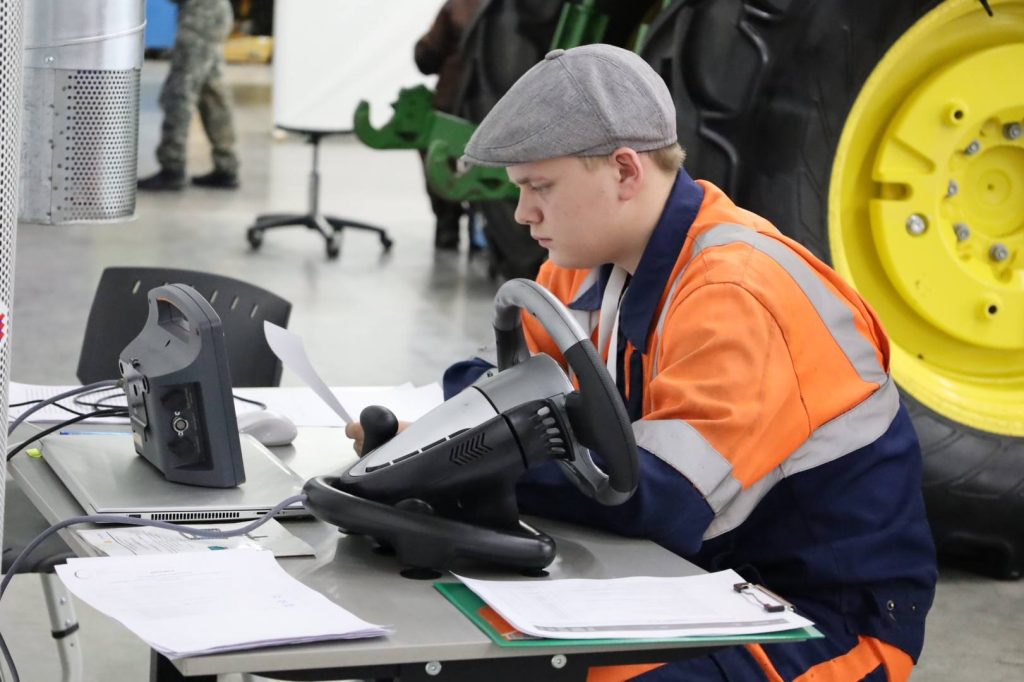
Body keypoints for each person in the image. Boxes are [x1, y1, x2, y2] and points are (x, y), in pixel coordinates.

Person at [348, 44, 937, 681]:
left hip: (816, 613)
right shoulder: (583, 267)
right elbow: (491, 387)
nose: (521, 213)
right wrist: (438, 450)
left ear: (625, 171)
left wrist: (463, 465)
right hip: (699, 576)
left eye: (540, 187)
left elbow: (655, 495)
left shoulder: (734, 293)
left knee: (562, 674)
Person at [138, 0, 240, 191]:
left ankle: (172, 167)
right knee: (211, 93)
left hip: (200, 15)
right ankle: (227, 166)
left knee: (179, 92)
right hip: (210, 12)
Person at [413, 0, 483, 250]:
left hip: (455, 100)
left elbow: (426, 58)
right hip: (501, 103)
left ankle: (447, 223)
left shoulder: (459, 5)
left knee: (435, 147)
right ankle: (483, 224)